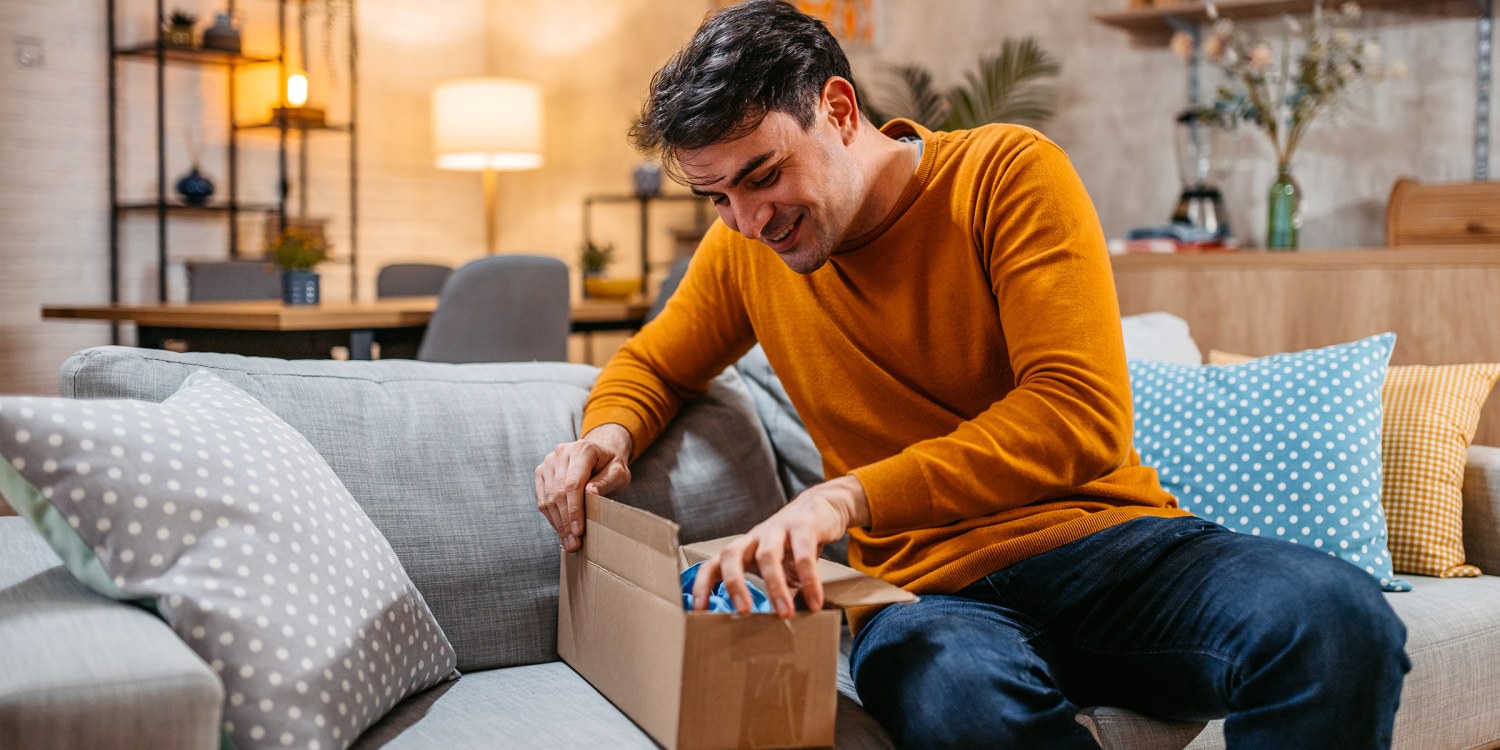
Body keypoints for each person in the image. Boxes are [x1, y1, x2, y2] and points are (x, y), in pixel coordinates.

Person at [533, 1, 1409, 747]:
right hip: (923, 597)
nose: (748, 220)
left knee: (1335, 619)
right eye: (717, 196)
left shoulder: (1005, 175)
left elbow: (1076, 416)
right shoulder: (744, 250)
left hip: (1101, 549)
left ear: (838, 109)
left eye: (762, 175)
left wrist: (845, 498)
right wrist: (607, 433)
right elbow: (652, 361)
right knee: (963, 702)